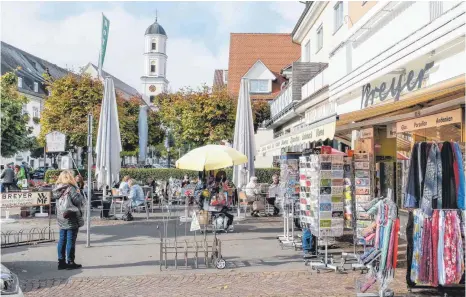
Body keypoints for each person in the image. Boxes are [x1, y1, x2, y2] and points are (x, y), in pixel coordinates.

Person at [53, 170, 85, 270]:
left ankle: (61, 262)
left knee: (62, 239)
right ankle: (70, 262)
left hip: (61, 216)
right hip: (71, 215)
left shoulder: (57, 189)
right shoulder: (71, 188)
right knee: (70, 239)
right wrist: (79, 193)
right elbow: (78, 201)